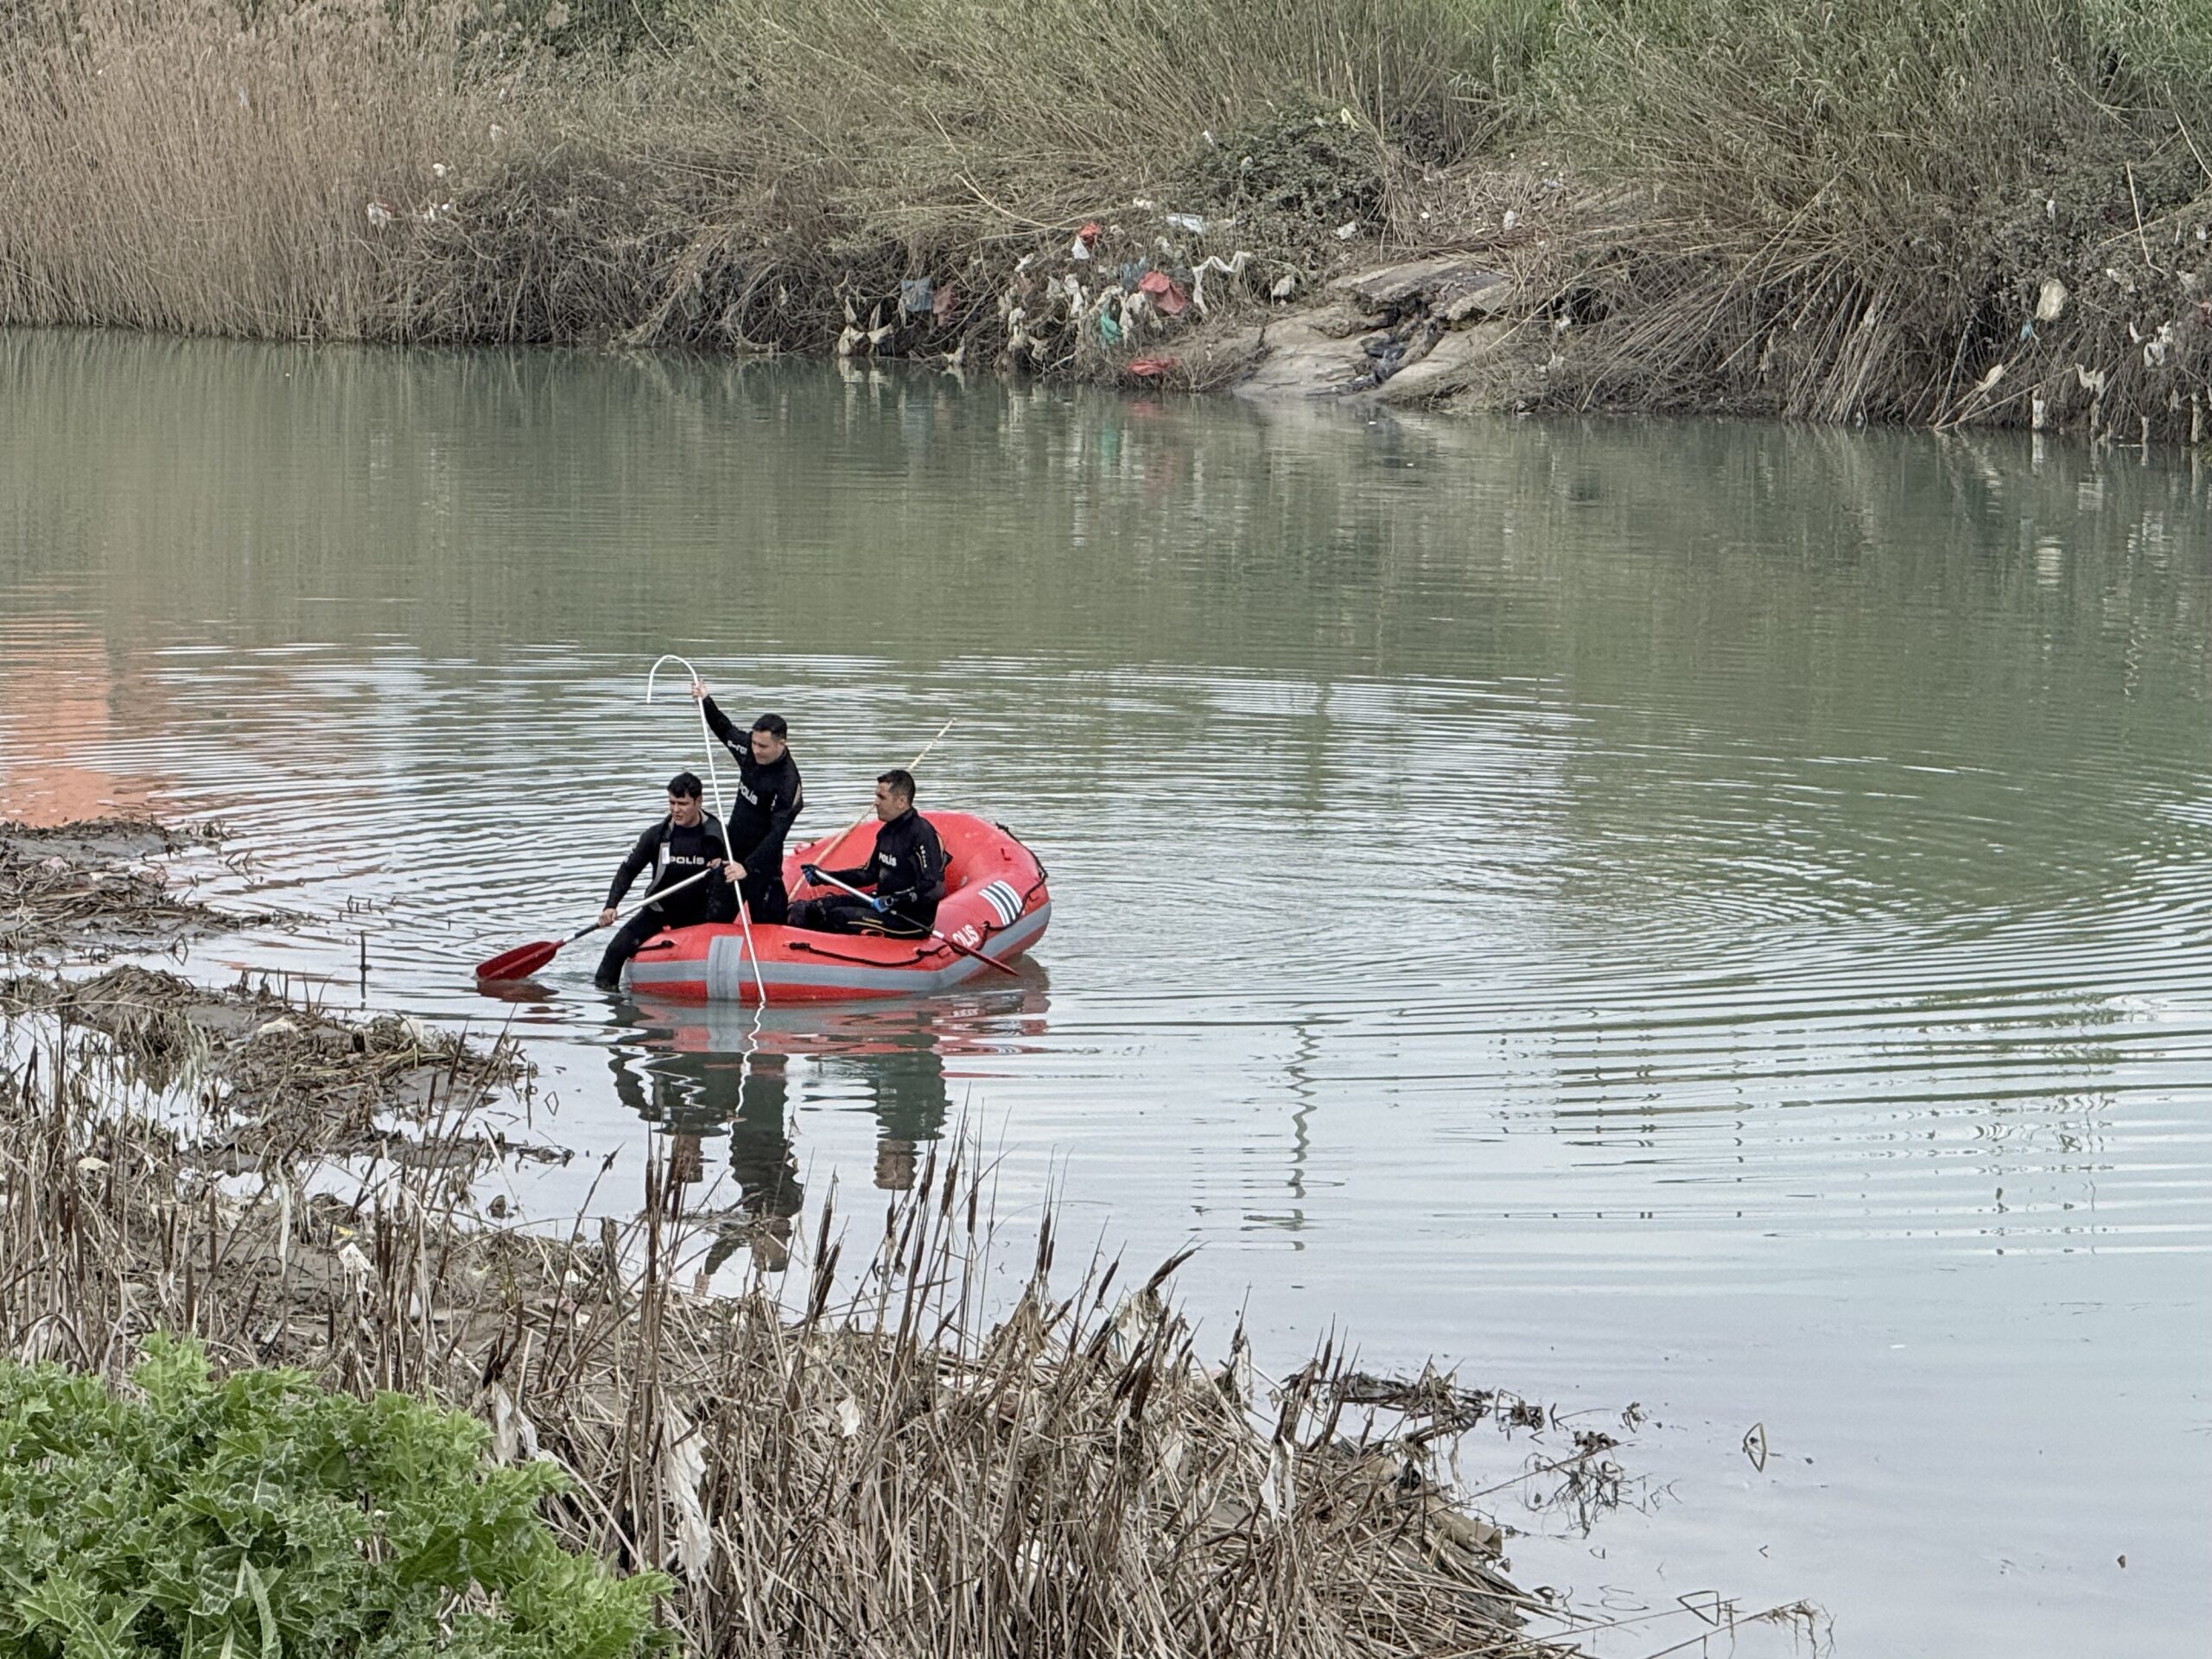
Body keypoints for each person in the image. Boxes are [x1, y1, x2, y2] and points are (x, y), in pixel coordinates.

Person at [594, 772, 737, 989]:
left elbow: (739, 872)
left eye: (683, 804)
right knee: (614, 951)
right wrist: (610, 906)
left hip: (700, 914)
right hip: (660, 910)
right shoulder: (656, 836)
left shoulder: (718, 837)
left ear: (698, 802)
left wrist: (724, 866)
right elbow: (628, 870)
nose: (675, 810)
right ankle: (610, 1002)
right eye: (672, 802)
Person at [690, 681, 804, 925]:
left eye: (763, 746)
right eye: (753, 742)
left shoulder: (788, 784)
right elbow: (725, 729)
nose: (756, 750)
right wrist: (706, 700)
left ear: (781, 744)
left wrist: (748, 868)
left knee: (771, 926)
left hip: (762, 865)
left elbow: (777, 835)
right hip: (732, 854)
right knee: (712, 920)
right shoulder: (747, 750)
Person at [791, 768, 945, 938]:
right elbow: (868, 874)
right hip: (880, 902)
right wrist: (825, 876)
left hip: (908, 919)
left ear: (901, 801)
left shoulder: (922, 833)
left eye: (882, 797)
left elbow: (934, 888)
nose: (875, 803)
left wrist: (896, 900)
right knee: (812, 908)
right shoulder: (887, 831)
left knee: (837, 917)